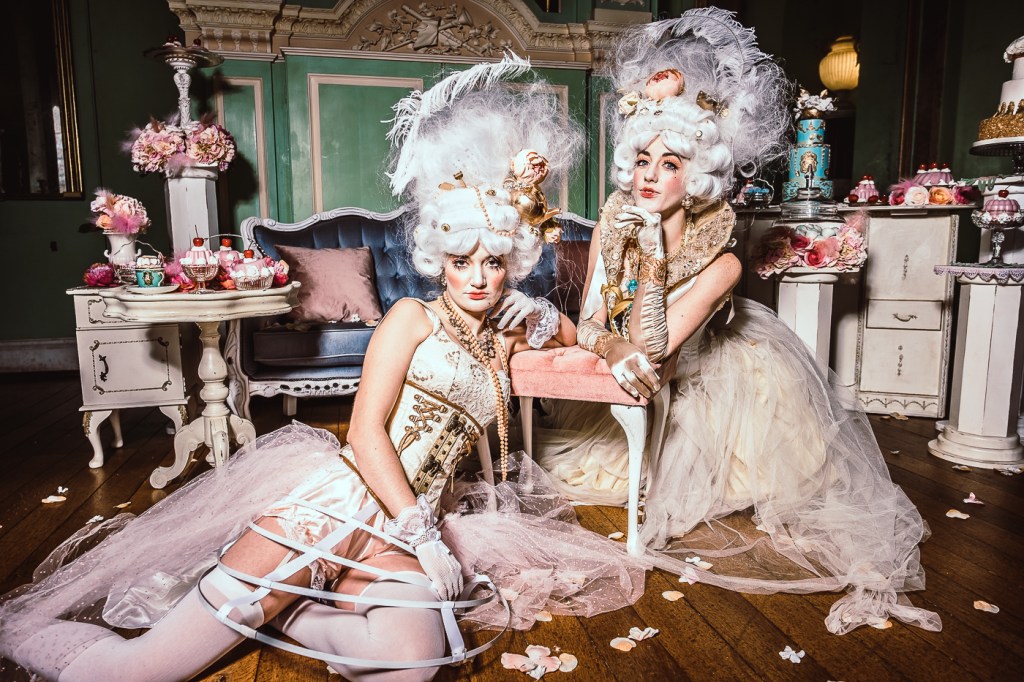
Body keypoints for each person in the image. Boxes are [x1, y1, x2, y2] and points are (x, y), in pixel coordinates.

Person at [0, 56, 645, 681]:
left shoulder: (506, 331)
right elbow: (364, 432)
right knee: (139, 672)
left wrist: (550, 318)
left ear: (511, 263)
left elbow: (581, 337)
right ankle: (61, 632)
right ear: (440, 260)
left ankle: (291, 614)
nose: (477, 278)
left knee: (414, 667)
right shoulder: (411, 319)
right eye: (461, 261)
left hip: (403, 532)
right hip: (344, 504)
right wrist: (422, 534)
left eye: (492, 263)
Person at [534, 8, 942, 635]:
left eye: (670, 163)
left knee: (741, 473)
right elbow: (591, 321)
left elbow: (654, 346)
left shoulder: (722, 262)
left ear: (696, 174)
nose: (650, 176)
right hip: (635, 358)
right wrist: (606, 341)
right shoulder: (612, 224)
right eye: (642, 160)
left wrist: (654, 260)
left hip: (714, 370)